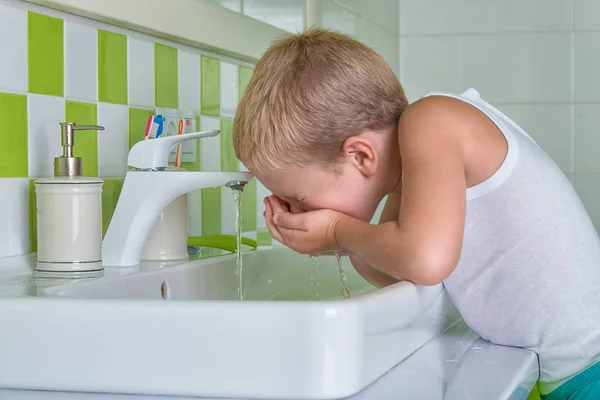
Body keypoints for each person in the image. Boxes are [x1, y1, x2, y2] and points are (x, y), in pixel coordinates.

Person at [231, 28, 600, 400]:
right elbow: (400, 274)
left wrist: (338, 229)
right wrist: (334, 242)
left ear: (360, 156)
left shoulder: (431, 122)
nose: (295, 210)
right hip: (572, 372)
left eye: (297, 197)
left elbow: (425, 262)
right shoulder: (408, 172)